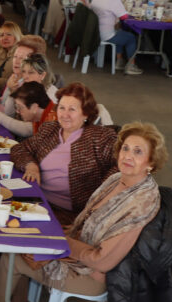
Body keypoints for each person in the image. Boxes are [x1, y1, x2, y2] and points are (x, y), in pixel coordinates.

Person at [0, 123, 165, 302]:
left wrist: (56, 246)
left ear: (151, 163)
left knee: (13, 257)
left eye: (138, 152)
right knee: (22, 237)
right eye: (125, 148)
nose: (127, 156)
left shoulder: (140, 203)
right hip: (79, 252)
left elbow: (102, 261)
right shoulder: (118, 179)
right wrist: (51, 239)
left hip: (90, 275)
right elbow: (85, 222)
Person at [11, 82, 118, 225]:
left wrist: (100, 194)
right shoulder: (51, 129)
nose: (65, 115)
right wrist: (31, 165)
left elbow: (120, 166)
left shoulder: (99, 138)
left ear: (85, 113)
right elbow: (20, 148)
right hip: (35, 199)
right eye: (61, 108)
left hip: (66, 214)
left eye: (72, 109)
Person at [91, 0, 142, 75]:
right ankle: (131, 65)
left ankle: (119, 61)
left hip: (96, 32)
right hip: (106, 34)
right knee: (131, 38)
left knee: (121, 33)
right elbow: (124, 17)